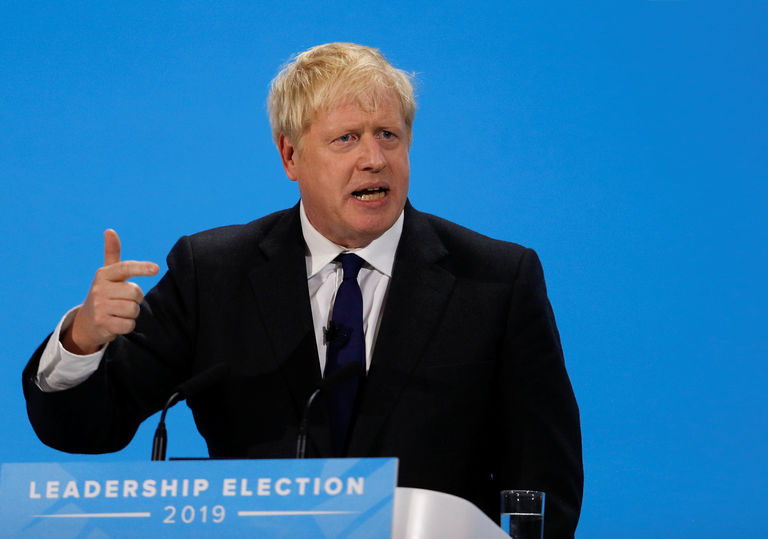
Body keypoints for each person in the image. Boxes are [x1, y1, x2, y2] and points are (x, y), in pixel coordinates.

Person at [23, 43, 583, 537]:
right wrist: (82, 341)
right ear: (291, 156)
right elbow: (85, 430)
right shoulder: (213, 273)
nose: (374, 158)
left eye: (388, 135)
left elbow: (543, 479)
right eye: (347, 138)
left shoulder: (495, 279)